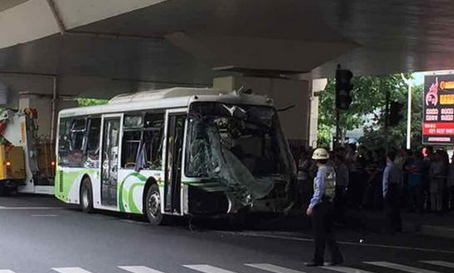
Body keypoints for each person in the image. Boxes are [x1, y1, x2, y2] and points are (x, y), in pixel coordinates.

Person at [305, 148, 343, 267]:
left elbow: (319, 190)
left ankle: (318, 259)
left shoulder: (321, 171)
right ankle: (336, 257)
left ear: (316, 160)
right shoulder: (331, 169)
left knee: (319, 234)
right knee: (328, 232)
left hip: (321, 205)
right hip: (330, 203)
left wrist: (311, 205)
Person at [383, 151, 402, 233]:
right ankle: (397, 226)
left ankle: (389, 226)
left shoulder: (388, 168)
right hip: (396, 186)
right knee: (396, 208)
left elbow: (385, 181)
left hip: (390, 188)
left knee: (389, 208)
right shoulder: (396, 167)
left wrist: (384, 192)